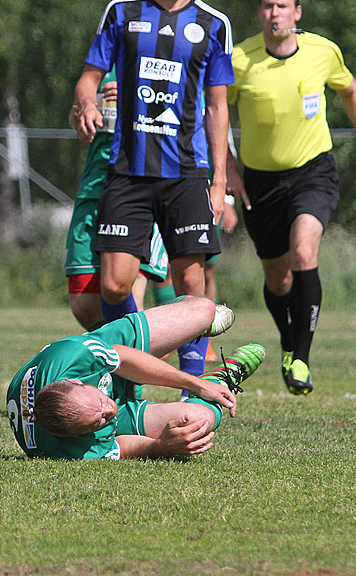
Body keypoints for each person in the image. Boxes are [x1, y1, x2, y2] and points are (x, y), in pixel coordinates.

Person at [225, 0, 356, 395]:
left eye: (282, 5)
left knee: (303, 252)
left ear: (297, 12)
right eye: (267, 6)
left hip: (313, 172)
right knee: (277, 279)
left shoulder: (323, 51)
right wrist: (227, 168)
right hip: (260, 182)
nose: (274, 13)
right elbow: (213, 112)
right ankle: (288, 341)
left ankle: (301, 357)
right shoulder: (237, 60)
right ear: (260, 13)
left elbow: (350, 91)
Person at [74, 0, 235, 380]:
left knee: (192, 284)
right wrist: (85, 104)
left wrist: (220, 182)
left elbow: (217, 107)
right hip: (128, 170)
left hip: (186, 174)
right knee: (113, 285)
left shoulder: (214, 24)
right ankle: (131, 375)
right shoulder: (122, 12)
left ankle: (191, 383)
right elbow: (89, 76)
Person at [6, 296, 264, 460]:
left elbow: (124, 359)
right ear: (75, 435)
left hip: (111, 359)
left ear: (75, 382)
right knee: (198, 423)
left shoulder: (72, 356)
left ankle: (187, 321)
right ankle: (221, 379)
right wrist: (160, 446)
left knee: (203, 310)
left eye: (100, 402)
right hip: (98, 386)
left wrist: (195, 384)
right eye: (99, 420)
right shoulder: (71, 451)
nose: (110, 408)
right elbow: (118, 447)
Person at [66, 71, 170, 331]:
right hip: (94, 189)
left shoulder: (163, 62)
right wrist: (82, 116)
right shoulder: (100, 70)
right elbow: (75, 115)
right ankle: (133, 359)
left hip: (140, 191)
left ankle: (141, 365)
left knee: (127, 298)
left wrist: (134, 99)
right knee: (85, 305)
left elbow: (187, 116)